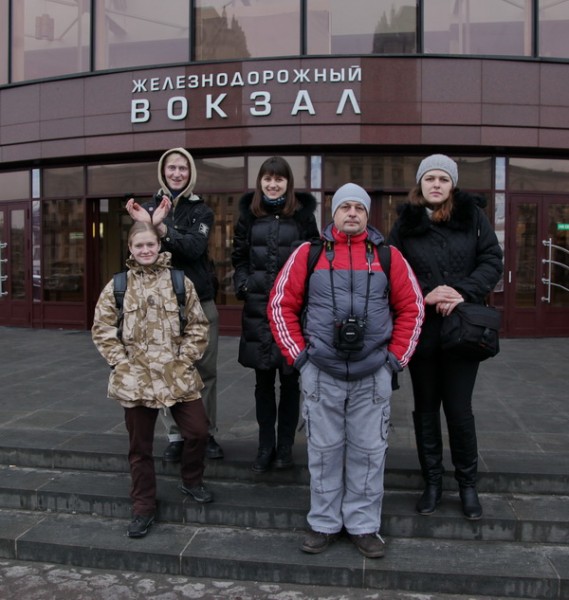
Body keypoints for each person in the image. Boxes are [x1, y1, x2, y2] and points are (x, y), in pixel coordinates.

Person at [268, 183, 424, 558]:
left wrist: (393, 361)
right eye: (345, 207)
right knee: (323, 452)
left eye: (359, 207)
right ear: (333, 213)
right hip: (321, 372)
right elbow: (280, 305)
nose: (352, 213)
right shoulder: (308, 253)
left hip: (373, 374)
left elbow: (413, 308)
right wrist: (301, 358)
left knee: (369, 453)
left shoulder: (388, 256)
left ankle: (363, 525)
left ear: (368, 215)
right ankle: (323, 523)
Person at [388, 154, 503, 520]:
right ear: (420, 183)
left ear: (452, 185)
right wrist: (424, 293)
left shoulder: (473, 217)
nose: (436, 184)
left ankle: (468, 486)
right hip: (422, 332)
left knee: (458, 409)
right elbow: (392, 270)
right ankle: (433, 483)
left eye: (443, 179)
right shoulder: (405, 223)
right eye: (430, 178)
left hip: (462, 330)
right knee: (425, 410)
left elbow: (492, 260)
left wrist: (460, 291)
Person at [91, 222, 213, 539]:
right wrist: (121, 363)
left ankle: (191, 479)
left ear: (159, 246)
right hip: (137, 379)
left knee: (198, 431)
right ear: (130, 249)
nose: (145, 250)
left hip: (176, 374)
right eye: (139, 245)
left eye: (150, 244)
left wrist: (185, 360)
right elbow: (102, 329)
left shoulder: (179, 282)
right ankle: (143, 506)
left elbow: (198, 325)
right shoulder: (118, 285)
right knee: (140, 447)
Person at [126, 147, 223, 462]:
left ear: (190, 172)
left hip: (200, 302)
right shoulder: (147, 208)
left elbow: (194, 248)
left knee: (204, 371)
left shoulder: (202, 211)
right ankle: (176, 436)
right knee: (167, 369)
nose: (177, 173)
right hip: (161, 304)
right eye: (172, 168)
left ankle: (206, 433)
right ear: (163, 172)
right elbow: (142, 250)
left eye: (183, 168)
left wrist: (162, 228)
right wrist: (148, 224)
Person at [231, 156, 320, 473]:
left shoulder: (302, 216)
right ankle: (264, 447)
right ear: (260, 182)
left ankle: (285, 448)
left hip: (292, 311)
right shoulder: (249, 216)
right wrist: (244, 284)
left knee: (291, 382)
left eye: (279, 179)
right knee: (263, 383)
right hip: (258, 308)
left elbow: (314, 258)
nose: (273, 184)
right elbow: (239, 257)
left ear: (288, 183)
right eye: (267, 178)